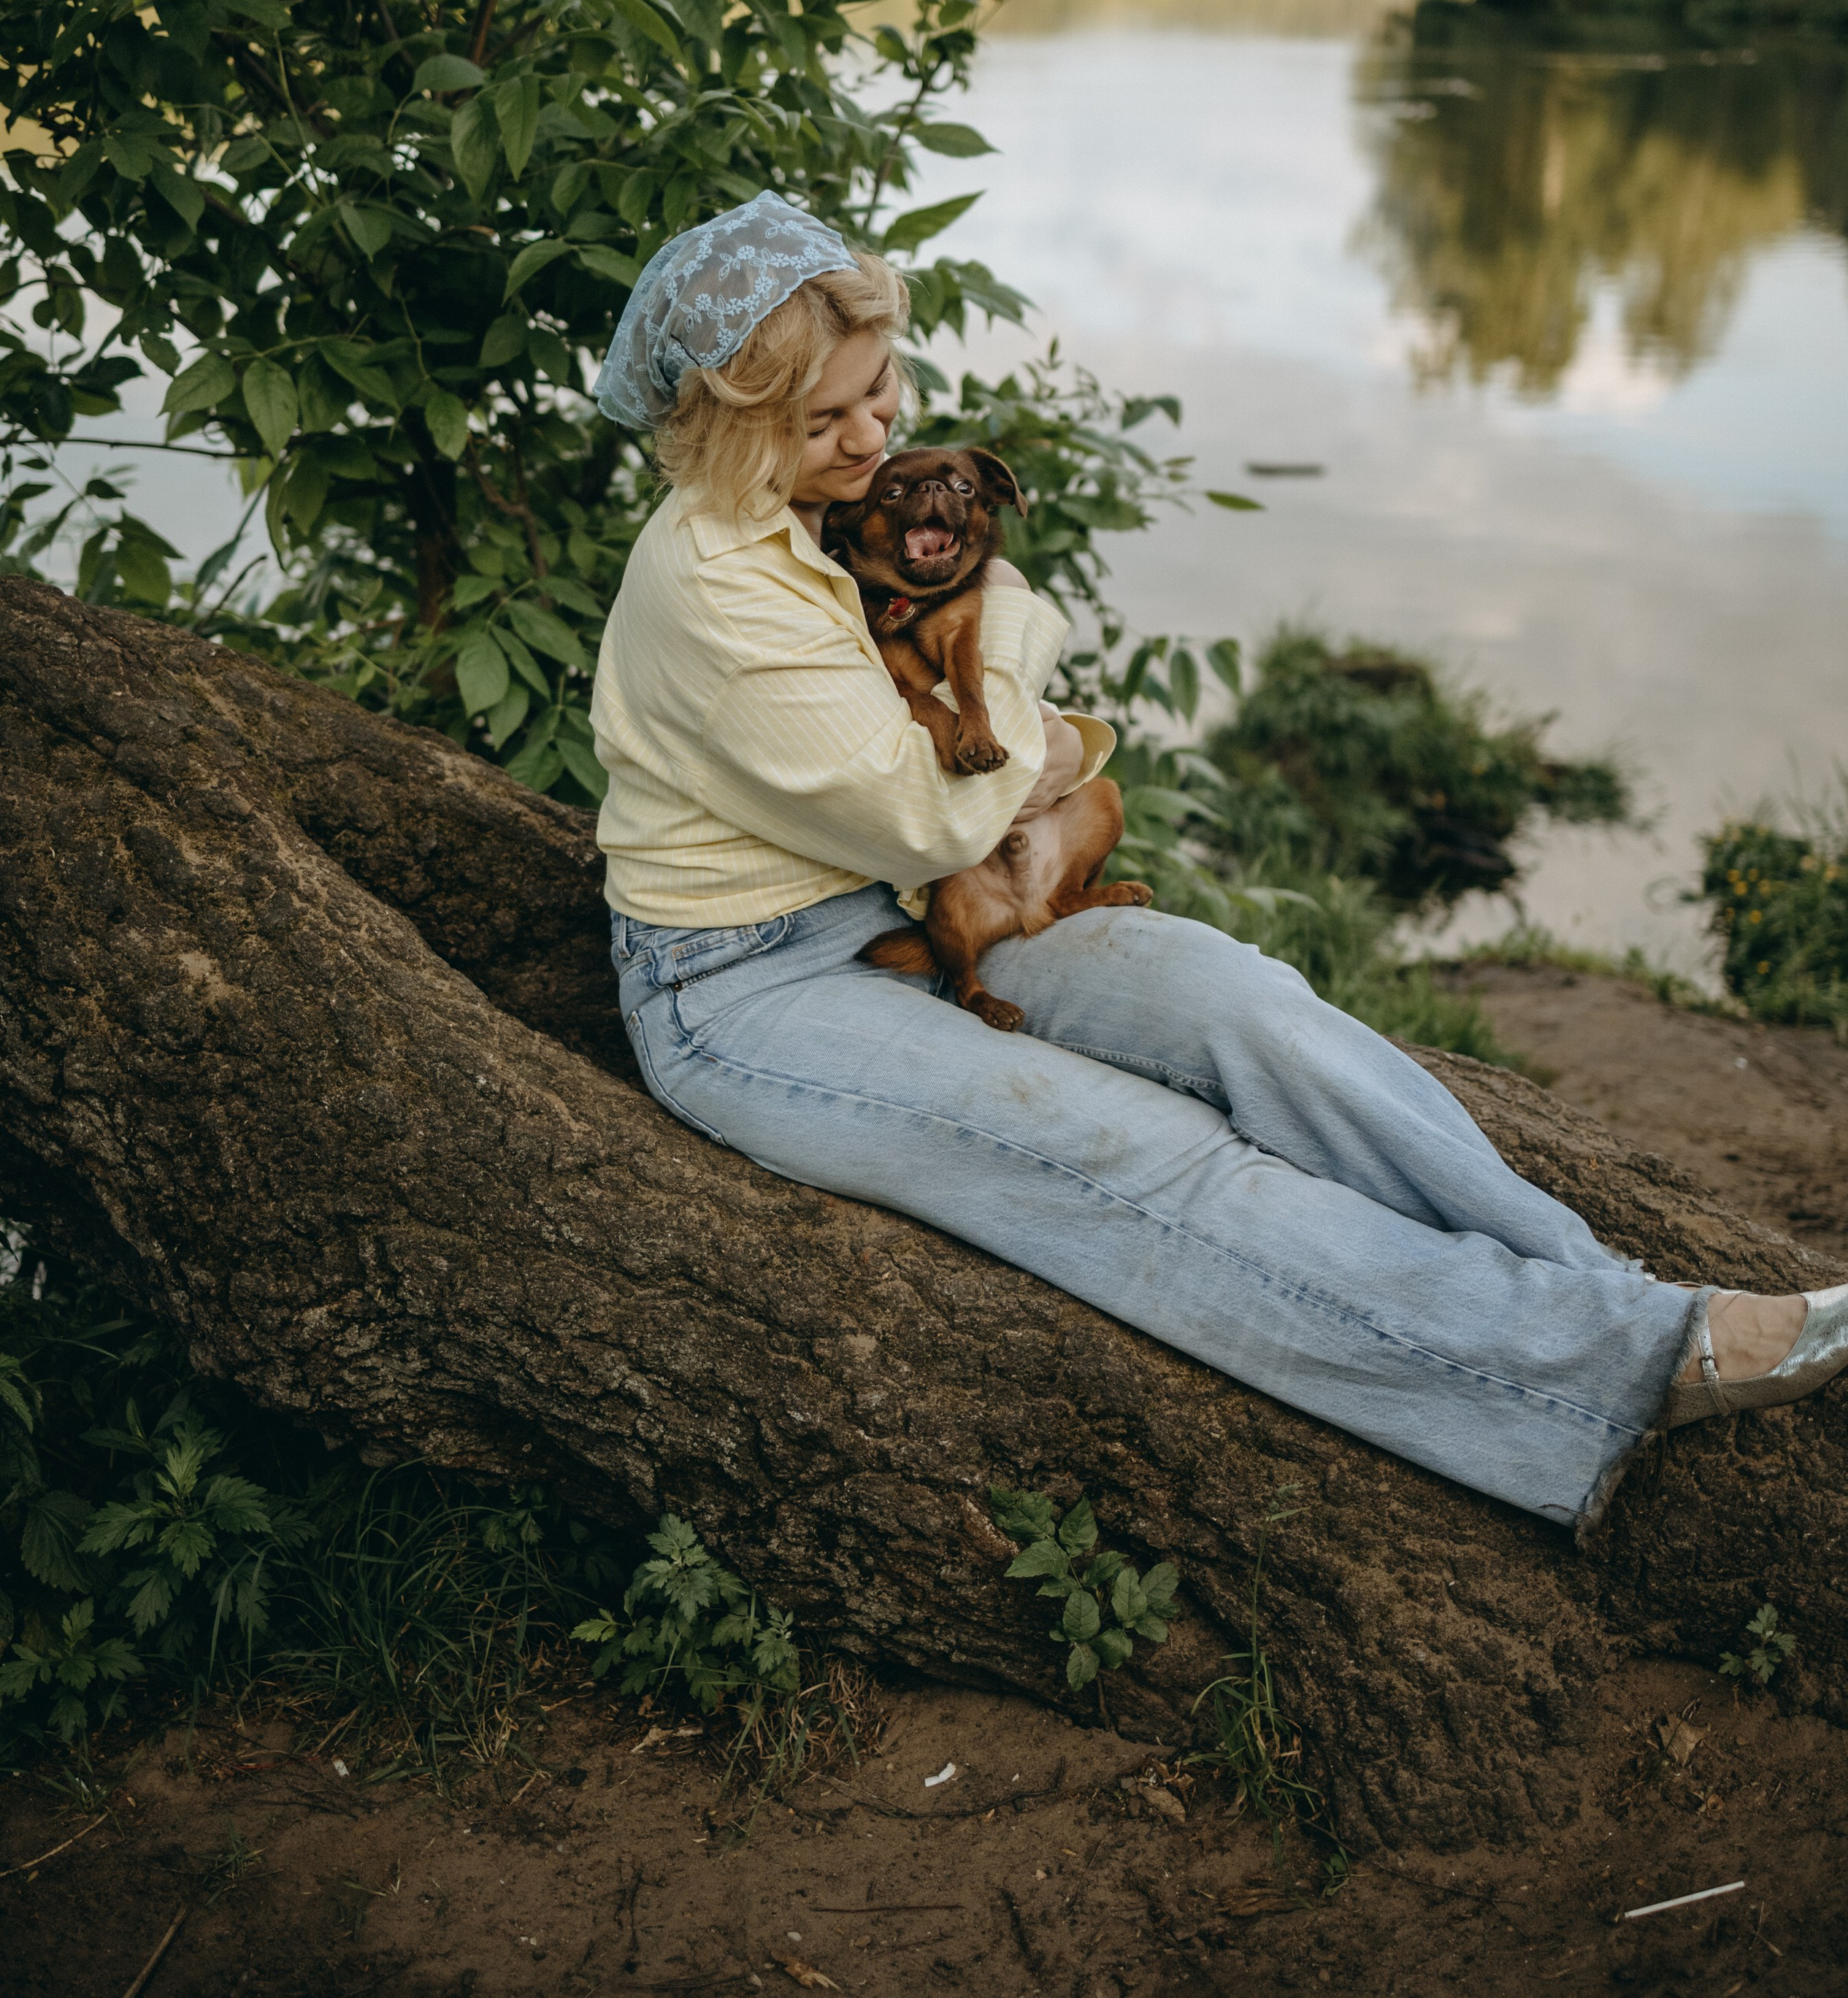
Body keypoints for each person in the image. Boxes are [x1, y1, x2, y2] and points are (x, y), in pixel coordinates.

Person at [589, 193, 1848, 1533]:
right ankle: (1630, 1364)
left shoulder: (833, 511)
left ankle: (1613, 1285)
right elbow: (940, 814)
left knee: (1252, 1011)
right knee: (1137, 1157)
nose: (874, 432)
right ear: (733, 429)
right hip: (751, 988)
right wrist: (1011, 624)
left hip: (916, 909)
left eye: (882, 386)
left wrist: (1031, 735)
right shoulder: (714, 580)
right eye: (821, 419)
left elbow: (971, 772)